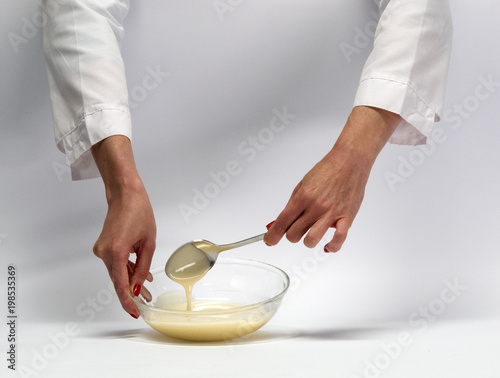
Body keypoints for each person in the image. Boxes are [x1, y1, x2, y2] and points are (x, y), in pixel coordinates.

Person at [42, 0, 453, 319]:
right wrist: (122, 186)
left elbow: (419, 7)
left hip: (337, 134)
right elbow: (77, 9)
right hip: (62, 214)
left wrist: (353, 157)